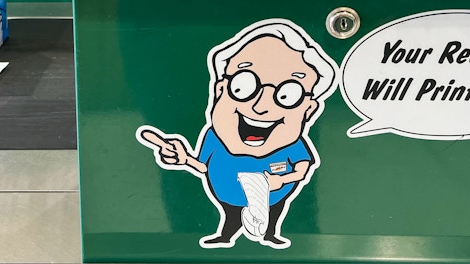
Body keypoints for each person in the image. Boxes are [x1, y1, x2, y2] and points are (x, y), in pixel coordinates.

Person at [137, 19, 338, 250]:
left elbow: (301, 170)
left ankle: (272, 234)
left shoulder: (291, 147)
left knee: (276, 217)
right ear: (220, 89)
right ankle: (224, 235)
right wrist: (184, 159)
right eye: (243, 86)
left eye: (288, 94)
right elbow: (203, 166)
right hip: (229, 197)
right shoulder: (215, 140)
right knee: (230, 218)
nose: (261, 106)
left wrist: (280, 180)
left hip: (273, 198)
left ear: (308, 109)